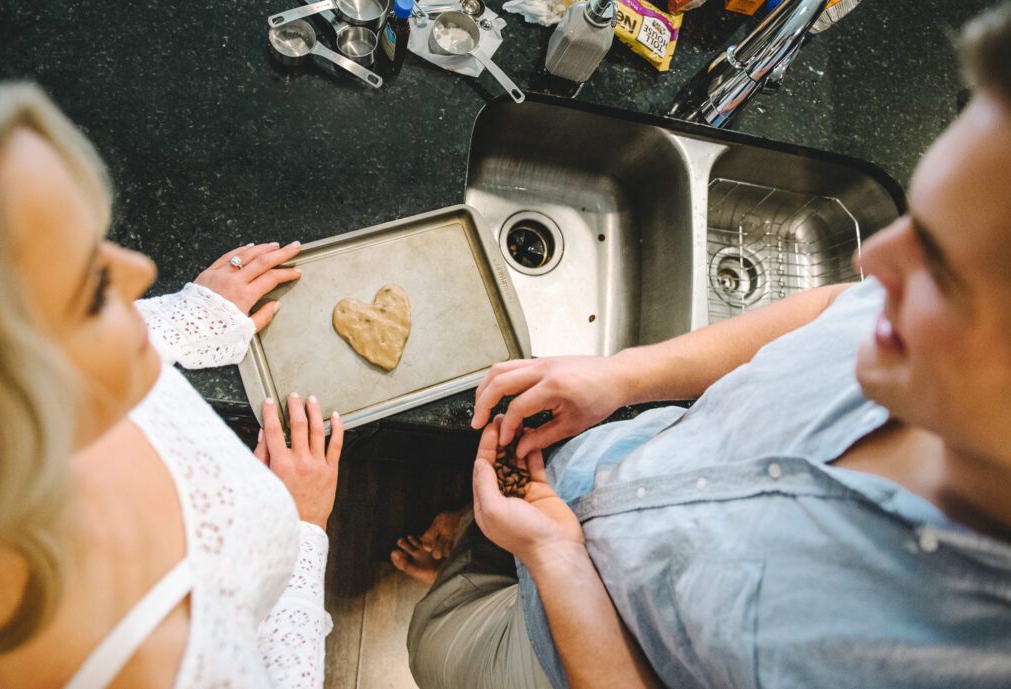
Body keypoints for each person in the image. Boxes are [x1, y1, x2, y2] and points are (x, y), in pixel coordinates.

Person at [399, 4, 1011, 688]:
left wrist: (557, 560)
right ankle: (465, 549)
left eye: (942, 268)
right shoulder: (922, 305)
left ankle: (456, 582)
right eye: (921, 222)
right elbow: (839, 307)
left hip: (557, 653)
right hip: (583, 479)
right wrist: (624, 376)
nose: (873, 266)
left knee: (433, 641)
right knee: (476, 543)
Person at [0, 81, 343, 688]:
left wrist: (188, 319)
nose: (140, 272)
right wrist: (303, 529)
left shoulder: (70, 395)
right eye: (93, 286)